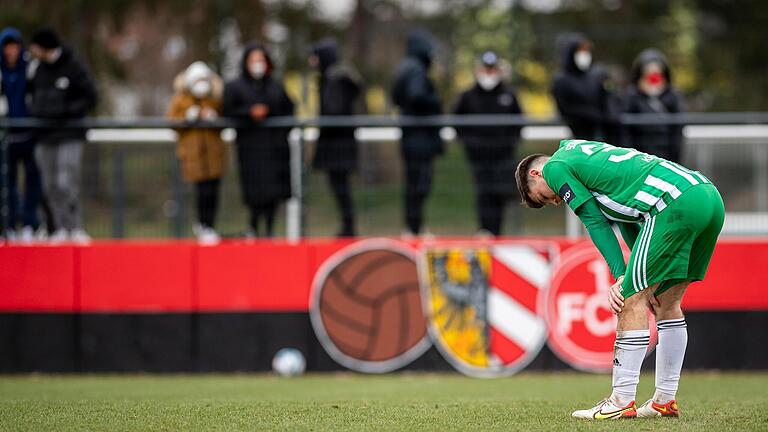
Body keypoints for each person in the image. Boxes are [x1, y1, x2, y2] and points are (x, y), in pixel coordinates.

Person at [515, 139, 724, 419]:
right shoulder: (577, 153)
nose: (554, 201)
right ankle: (664, 400)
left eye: (543, 197)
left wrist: (622, 275)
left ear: (535, 174)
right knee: (665, 302)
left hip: (673, 203)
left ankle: (621, 401)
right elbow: (627, 216)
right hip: (707, 195)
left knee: (628, 300)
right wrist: (637, 272)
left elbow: (594, 221)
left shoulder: (554, 168)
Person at [27, 28, 96, 244]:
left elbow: (90, 96)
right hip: (44, 136)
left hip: (68, 134)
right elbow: (30, 95)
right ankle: (57, 228)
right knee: (49, 185)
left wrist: (67, 111)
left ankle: (74, 227)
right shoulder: (36, 69)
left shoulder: (73, 67)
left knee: (66, 181)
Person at [222, 43, 294, 238]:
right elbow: (227, 111)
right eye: (253, 60)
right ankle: (253, 228)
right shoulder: (235, 87)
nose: (257, 65)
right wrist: (249, 113)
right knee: (254, 191)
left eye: (261, 60)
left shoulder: (276, 86)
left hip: (275, 148)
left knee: (273, 192)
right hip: (250, 149)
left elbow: (289, 110)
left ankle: (270, 230)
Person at [453, 51, 522, 236]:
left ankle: (498, 233)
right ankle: (484, 231)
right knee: (483, 194)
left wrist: (510, 144)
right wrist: (470, 144)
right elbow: (457, 122)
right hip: (478, 157)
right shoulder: (468, 96)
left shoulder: (508, 95)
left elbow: (519, 122)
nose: (489, 74)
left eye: (492, 69)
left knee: (500, 194)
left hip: (503, 156)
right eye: (486, 69)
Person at [167, 61, 226, 244]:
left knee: (213, 191)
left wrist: (214, 119)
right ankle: (201, 224)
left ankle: (210, 225)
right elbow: (172, 122)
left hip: (214, 156)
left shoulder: (215, 100)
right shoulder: (181, 100)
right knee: (201, 192)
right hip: (193, 157)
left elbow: (225, 121)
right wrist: (187, 118)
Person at [309, 38, 363, 237]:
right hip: (339, 145)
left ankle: (348, 227)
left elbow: (334, 110)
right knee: (339, 187)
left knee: (341, 187)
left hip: (338, 146)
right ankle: (347, 225)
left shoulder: (334, 81)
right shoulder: (333, 79)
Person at [391, 29, 444, 235]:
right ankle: (414, 228)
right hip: (420, 139)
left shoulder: (404, 68)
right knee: (419, 185)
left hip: (412, 137)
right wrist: (435, 102)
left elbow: (397, 97)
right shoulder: (416, 70)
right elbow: (417, 96)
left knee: (413, 184)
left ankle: (412, 226)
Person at [0, 27, 44, 243]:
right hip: (7, 138)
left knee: (32, 182)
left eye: (14, 46)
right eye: (7, 47)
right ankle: (9, 226)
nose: (11, 51)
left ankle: (30, 224)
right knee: (7, 184)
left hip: (29, 135)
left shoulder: (31, 68)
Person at [625, 49, 685, 162]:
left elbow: (677, 131)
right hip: (640, 157)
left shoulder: (672, 96)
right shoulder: (632, 96)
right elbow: (625, 131)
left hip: (666, 154)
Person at [552, 34, 604, 140]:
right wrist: (592, 114)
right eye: (580, 51)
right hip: (574, 133)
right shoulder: (561, 80)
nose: (584, 55)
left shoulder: (594, 76)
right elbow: (564, 107)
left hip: (598, 133)